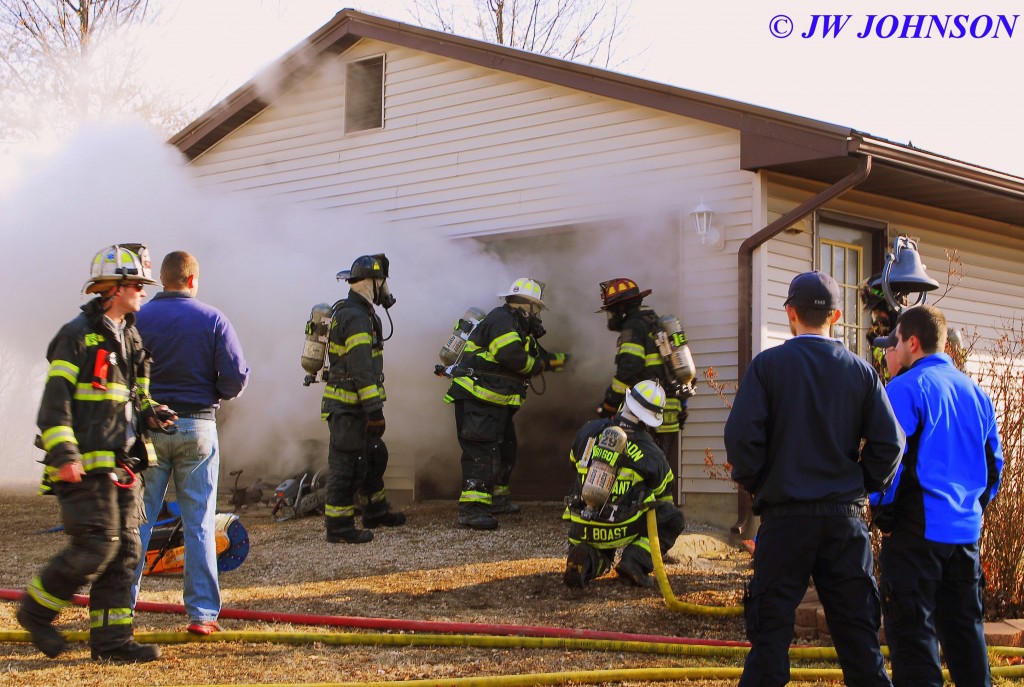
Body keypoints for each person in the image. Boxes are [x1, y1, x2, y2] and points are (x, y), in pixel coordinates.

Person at [724, 270, 904, 687]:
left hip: (785, 518)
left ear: (790, 312)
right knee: (860, 643)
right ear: (837, 316)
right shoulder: (861, 372)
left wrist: (759, 483)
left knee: (769, 639)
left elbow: (740, 438)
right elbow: (890, 444)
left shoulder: (768, 367)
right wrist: (862, 484)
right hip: (845, 520)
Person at [18, 244, 176, 663]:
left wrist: (153, 412)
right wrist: (65, 453)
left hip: (123, 464)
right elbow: (54, 404)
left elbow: (134, 395)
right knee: (97, 546)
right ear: (116, 287)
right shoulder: (75, 336)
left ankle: (112, 644)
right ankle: (35, 613)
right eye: (138, 284)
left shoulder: (129, 335)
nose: (143, 291)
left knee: (124, 554)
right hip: (83, 466)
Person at [872, 305, 1003, 687]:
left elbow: (888, 459)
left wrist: (885, 517)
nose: (890, 352)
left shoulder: (904, 389)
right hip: (964, 535)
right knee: (966, 636)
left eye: (894, 343)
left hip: (916, 535)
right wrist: (972, 510)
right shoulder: (975, 392)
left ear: (912, 343)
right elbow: (994, 465)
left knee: (914, 639)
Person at [130, 250, 250, 636]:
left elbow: (126, 376)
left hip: (148, 430)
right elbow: (234, 380)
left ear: (162, 279)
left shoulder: (139, 319)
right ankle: (202, 616)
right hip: (198, 427)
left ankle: (120, 609)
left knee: (139, 521)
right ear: (193, 280)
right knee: (198, 522)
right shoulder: (213, 319)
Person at [443, 277, 568, 530]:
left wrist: (569, 361)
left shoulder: (518, 330)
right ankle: (472, 510)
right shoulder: (502, 319)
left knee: (504, 447)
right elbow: (512, 356)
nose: (539, 317)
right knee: (481, 452)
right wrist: (539, 365)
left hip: (494, 403)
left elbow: (540, 356)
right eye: (538, 310)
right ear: (527, 306)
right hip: (478, 399)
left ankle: (496, 498)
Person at [563, 380, 685, 588]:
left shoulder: (588, 430)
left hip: (581, 524)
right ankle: (635, 562)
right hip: (619, 527)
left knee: (602, 554)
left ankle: (586, 560)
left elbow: (573, 463)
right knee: (673, 518)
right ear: (649, 420)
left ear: (625, 403)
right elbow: (664, 495)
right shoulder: (652, 453)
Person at [321, 254, 406, 544]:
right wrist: (374, 409)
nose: (385, 288)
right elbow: (360, 367)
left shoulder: (361, 312)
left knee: (373, 454)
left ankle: (374, 510)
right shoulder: (356, 316)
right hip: (348, 407)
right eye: (382, 281)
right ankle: (339, 526)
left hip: (354, 405)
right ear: (373, 281)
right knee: (347, 464)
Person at [594, 278, 689, 466]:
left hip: (646, 410)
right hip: (669, 408)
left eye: (612, 310)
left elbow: (629, 369)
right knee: (661, 468)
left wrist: (610, 403)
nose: (611, 316)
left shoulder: (634, 326)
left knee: (641, 466)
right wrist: (682, 406)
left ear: (621, 309)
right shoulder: (654, 324)